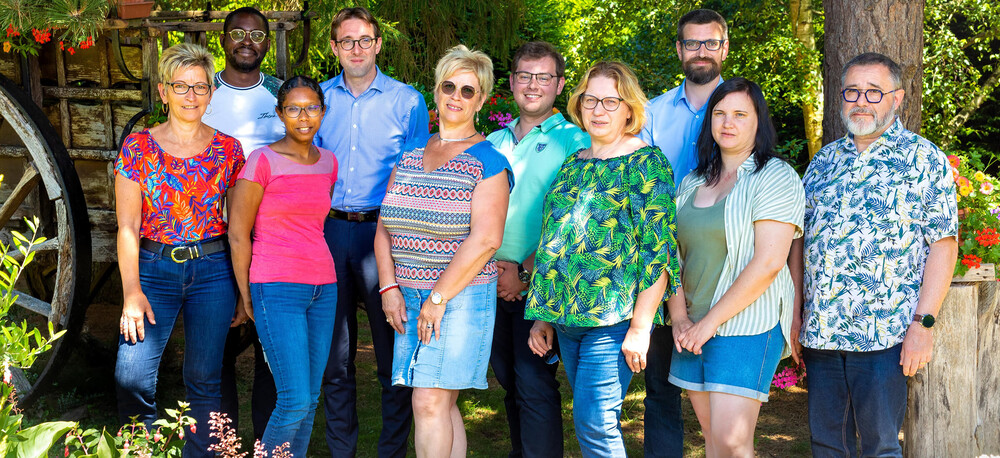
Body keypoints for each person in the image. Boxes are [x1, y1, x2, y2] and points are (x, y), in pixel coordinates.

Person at [799, 52, 958, 457]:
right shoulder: (822, 163)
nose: (861, 100)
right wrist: (797, 313)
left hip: (886, 335)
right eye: (853, 90)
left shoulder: (924, 160)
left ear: (897, 98)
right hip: (822, 333)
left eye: (874, 91)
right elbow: (801, 240)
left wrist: (923, 324)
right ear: (841, 95)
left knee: (880, 446)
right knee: (825, 445)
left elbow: (943, 245)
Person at [525, 61, 681, 457]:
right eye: (590, 99)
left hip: (613, 318)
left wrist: (641, 327)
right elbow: (556, 242)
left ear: (630, 108)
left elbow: (658, 252)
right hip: (566, 318)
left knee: (596, 421)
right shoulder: (573, 163)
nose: (598, 110)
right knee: (589, 419)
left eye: (611, 101)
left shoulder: (647, 164)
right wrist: (544, 315)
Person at [376, 44, 513, 458]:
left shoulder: (488, 161)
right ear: (436, 91)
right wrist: (388, 287)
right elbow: (384, 225)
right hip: (407, 295)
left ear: (482, 100)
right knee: (442, 405)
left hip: (458, 297)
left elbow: (486, 240)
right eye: (448, 86)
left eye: (467, 90)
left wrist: (438, 298)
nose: (456, 96)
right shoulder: (411, 153)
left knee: (429, 403)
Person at [114, 42, 244, 458]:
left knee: (205, 379)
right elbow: (128, 225)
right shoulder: (138, 148)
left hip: (213, 270)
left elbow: (240, 226)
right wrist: (131, 292)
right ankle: (143, 451)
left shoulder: (230, 150)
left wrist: (242, 289)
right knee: (132, 376)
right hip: (153, 268)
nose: (191, 96)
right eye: (181, 86)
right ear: (163, 91)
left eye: (200, 87)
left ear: (212, 93)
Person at [666, 77, 804, 458]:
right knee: (712, 438)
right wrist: (680, 319)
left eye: (740, 114)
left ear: (759, 121)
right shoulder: (693, 182)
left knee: (732, 440)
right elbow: (670, 255)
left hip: (746, 325)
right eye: (720, 113)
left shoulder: (774, 177)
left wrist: (708, 325)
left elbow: (769, 262)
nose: (728, 122)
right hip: (691, 326)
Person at [314, 7, 431, 457]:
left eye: (365, 40)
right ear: (334, 48)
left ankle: (391, 450)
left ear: (378, 44)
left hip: (385, 236)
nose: (357, 49)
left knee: (391, 351)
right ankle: (342, 449)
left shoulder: (407, 101)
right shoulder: (319, 99)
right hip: (330, 233)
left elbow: (420, 174)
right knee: (335, 356)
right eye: (347, 41)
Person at [486, 41, 589, 458]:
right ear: (511, 82)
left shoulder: (575, 139)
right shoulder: (492, 140)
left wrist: (524, 270)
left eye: (543, 77)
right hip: (488, 280)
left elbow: (575, 215)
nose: (533, 85)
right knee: (509, 382)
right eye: (524, 76)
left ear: (560, 84)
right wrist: (495, 270)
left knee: (534, 385)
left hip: (540, 285)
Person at [228, 76, 338, 458]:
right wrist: (246, 296)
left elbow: (314, 222)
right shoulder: (262, 160)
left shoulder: (328, 162)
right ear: (280, 114)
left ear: (322, 112)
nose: (303, 116)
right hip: (275, 287)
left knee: (309, 397)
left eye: (311, 107)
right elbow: (239, 235)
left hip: (324, 287)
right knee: (292, 399)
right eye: (293, 108)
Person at [638, 9, 729, 456]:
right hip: (661, 258)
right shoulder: (651, 113)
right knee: (661, 387)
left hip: (720, 258)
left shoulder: (739, 107)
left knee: (725, 385)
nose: (701, 51)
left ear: (724, 48)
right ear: (679, 50)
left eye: (710, 43)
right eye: (692, 43)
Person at [201, 6, 283, 439]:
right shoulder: (202, 94)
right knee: (219, 346)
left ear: (267, 43)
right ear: (223, 40)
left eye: (256, 34)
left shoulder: (281, 95)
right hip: (212, 236)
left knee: (271, 342)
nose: (247, 40)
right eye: (237, 32)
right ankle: (223, 441)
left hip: (270, 236)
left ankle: (268, 442)